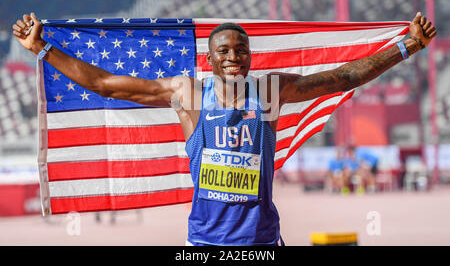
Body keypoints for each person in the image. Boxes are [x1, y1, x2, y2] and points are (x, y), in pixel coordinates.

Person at [13, 12, 436, 246]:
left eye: (242, 50)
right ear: (210, 59)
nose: (234, 56)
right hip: (204, 244)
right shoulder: (189, 95)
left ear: (251, 57)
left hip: (262, 243)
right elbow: (104, 84)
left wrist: (406, 46)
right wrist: (43, 48)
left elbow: (342, 79)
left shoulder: (270, 90)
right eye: (224, 51)